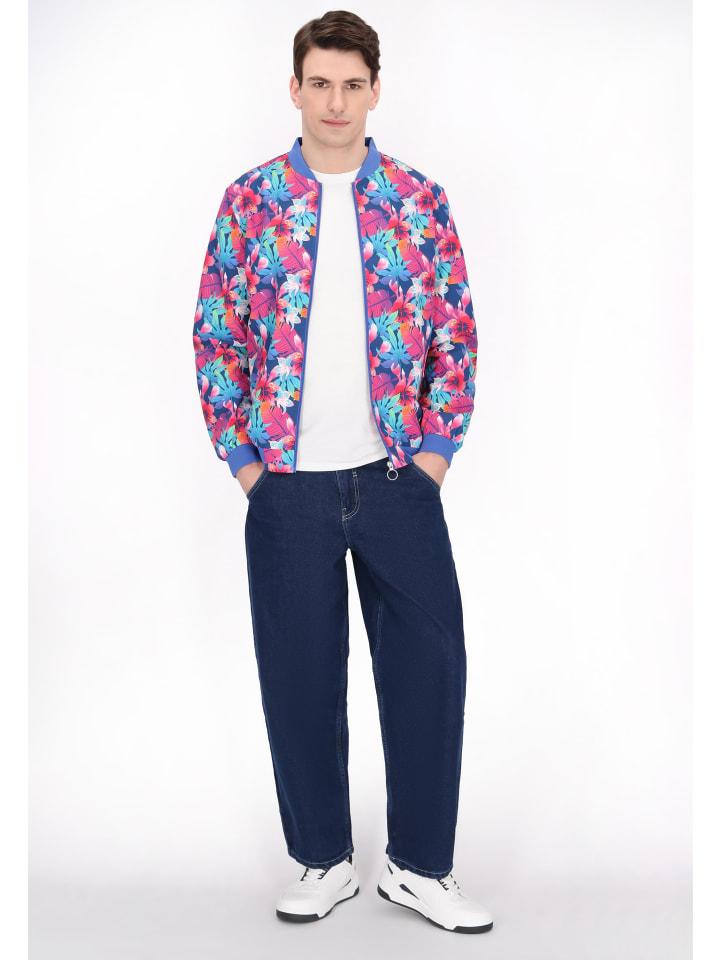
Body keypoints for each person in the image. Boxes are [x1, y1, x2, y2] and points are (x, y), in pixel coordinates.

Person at [192, 10, 493, 935]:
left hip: (398, 478)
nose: (335, 101)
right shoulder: (250, 202)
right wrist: (247, 465)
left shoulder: (418, 200)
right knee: (299, 678)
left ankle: (420, 867)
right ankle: (322, 859)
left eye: (351, 84)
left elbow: (456, 332)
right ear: (295, 88)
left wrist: (435, 455)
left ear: (375, 90)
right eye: (319, 83)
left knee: (430, 670)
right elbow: (216, 336)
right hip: (287, 487)